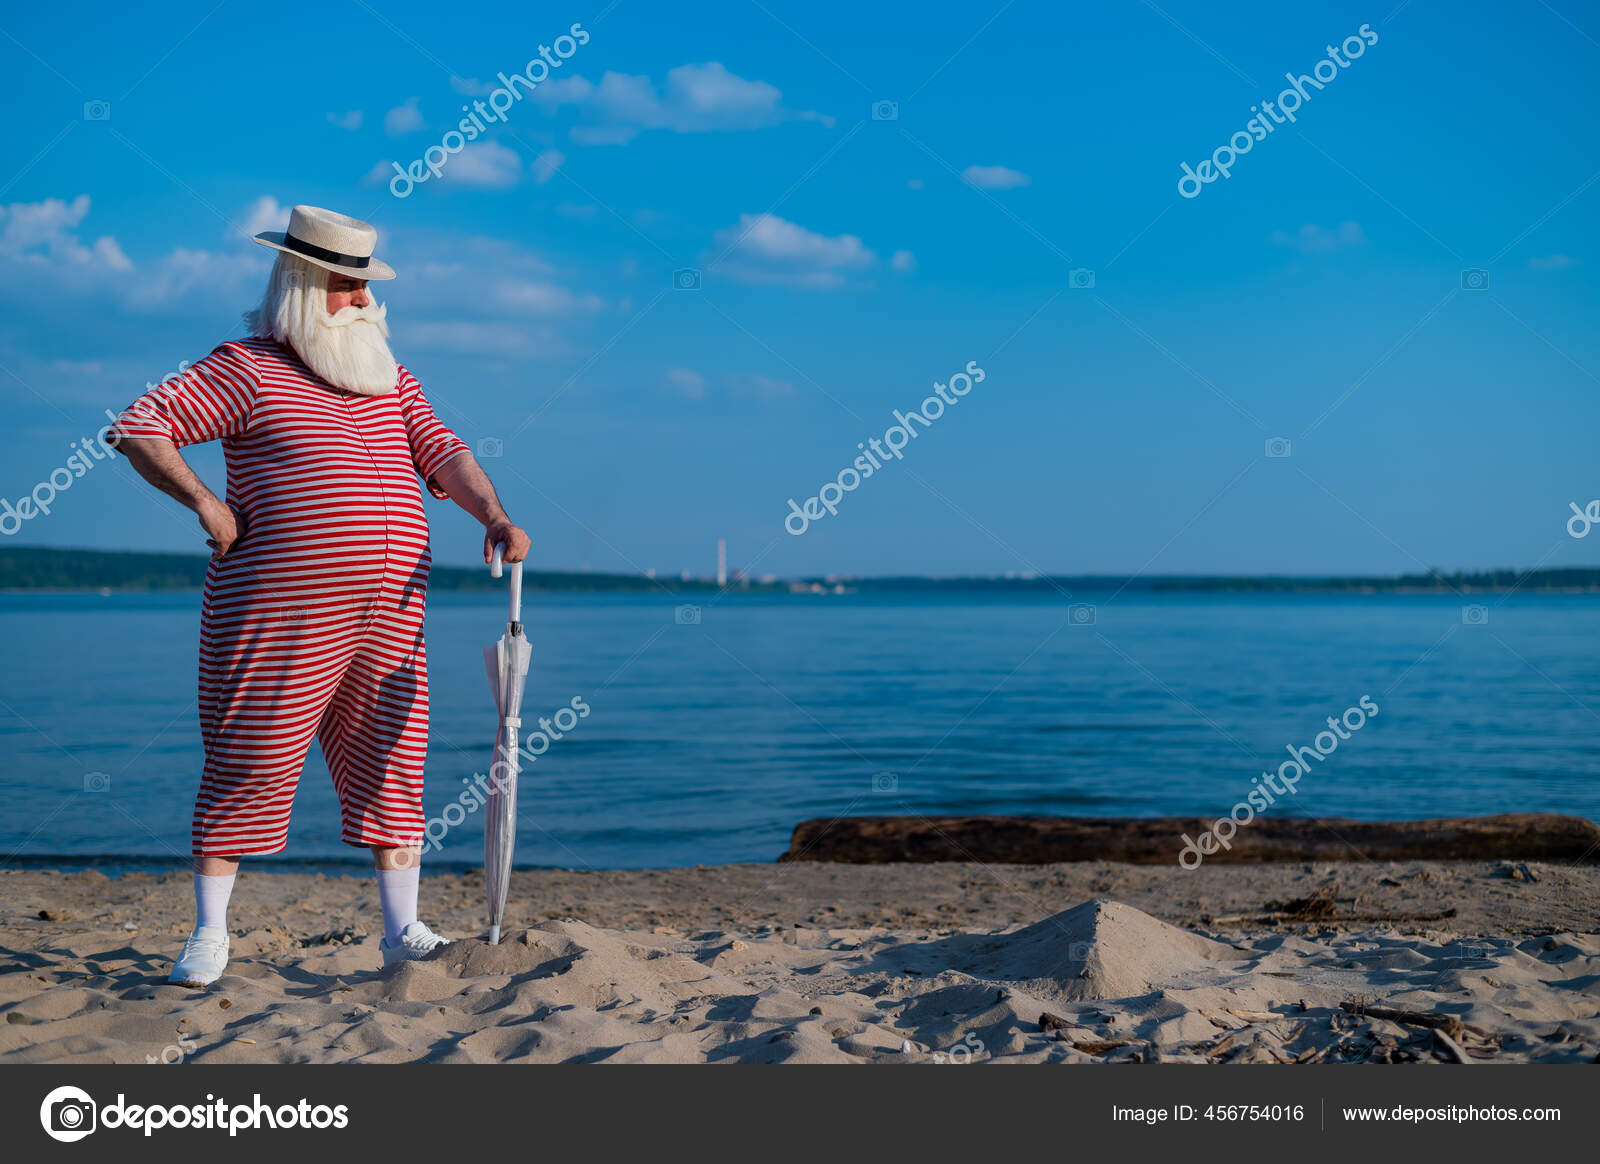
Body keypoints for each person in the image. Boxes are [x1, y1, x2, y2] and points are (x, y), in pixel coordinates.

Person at [112, 205, 531, 987]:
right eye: (347, 286)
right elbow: (141, 426)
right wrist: (206, 503)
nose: (364, 301)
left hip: (391, 612)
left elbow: (444, 452)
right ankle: (210, 933)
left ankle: (402, 928)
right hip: (277, 611)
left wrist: (496, 514)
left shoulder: (387, 377)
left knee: (394, 757)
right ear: (305, 284)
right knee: (250, 757)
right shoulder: (245, 366)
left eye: (367, 286)